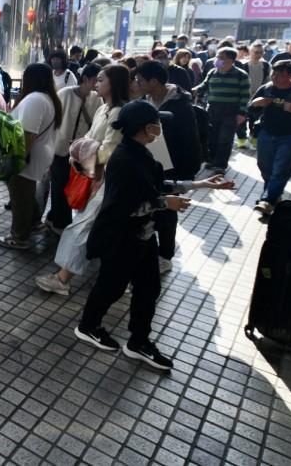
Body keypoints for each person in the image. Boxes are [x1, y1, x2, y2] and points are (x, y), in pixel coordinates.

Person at [74, 100, 233, 370]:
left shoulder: (141, 153)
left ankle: (138, 341)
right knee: (110, 287)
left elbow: (158, 185)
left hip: (143, 237)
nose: (160, 129)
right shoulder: (125, 159)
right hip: (121, 239)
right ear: (147, 128)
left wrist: (201, 184)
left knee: (148, 288)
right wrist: (163, 204)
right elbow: (123, 207)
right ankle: (88, 326)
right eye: (157, 124)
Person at [35, 64, 129, 296]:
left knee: (82, 227)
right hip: (93, 175)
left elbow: (109, 150)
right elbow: (89, 138)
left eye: (101, 80)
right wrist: (82, 149)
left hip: (107, 179)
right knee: (98, 228)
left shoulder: (118, 112)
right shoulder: (103, 108)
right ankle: (123, 277)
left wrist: (82, 150)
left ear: (113, 84)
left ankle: (63, 279)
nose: (96, 84)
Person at [132, 60, 204, 273]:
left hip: (171, 168)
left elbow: (190, 141)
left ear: (154, 81)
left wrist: (183, 173)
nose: (137, 84)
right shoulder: (146, 101)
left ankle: (165, 255)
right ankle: (149, 249)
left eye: (140, 80)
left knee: (166, 210)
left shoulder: (180, 105)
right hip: (148, 164)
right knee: (151, 207)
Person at [0, 63, 62, 250]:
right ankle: (34, 223)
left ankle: (19, 237)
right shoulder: (46, 98)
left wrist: (16, 161)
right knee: (25, 193)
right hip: (40, 153)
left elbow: (27, 134)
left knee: (20, 196)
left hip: (28, 155)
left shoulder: (35, 99)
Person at [242, 60, 291, 213]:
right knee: (264, 167)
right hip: (266, 134)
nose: (274, 77)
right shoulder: (266, 88)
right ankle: (274, 194)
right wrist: (255, 104)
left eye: (280, 74)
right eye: (273, 73)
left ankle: (267, 200)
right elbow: (250, 109)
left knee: (281, 169)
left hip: (290, 136)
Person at [45, 63, 101, 236]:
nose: (97, 84)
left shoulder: (96, 99)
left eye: (100, 80)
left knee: (73, 185)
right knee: (59, 185)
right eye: (95, 80)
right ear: (85, 79)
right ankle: (61, 223)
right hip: (60, 149)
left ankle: (54, 217)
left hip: (81, 153)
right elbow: (53, 121)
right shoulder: (65, 93)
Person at [193, 47, 249, 174]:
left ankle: (220, 165)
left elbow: (245, 96)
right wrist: (193, 90)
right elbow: (204, 86)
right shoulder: (213, 72)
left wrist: (242, 113)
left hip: (231, 111)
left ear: (230, 60)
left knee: (225, 139)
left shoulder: (241, 75)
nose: (216, 60)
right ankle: (211, 160)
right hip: (212, 109)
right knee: (212, 137)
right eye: (217, 56)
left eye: (220, 57)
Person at [237, 41, 271, 149]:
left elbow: (268, 81)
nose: (258, 54)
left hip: (259, 97)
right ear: (250, 52)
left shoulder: (265, 65)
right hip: (244, 96)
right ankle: (241, 139)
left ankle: (254, 137)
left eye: (260, 52)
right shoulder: (243, 65)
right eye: (255, 52)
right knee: (241, 119)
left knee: (257, 119)